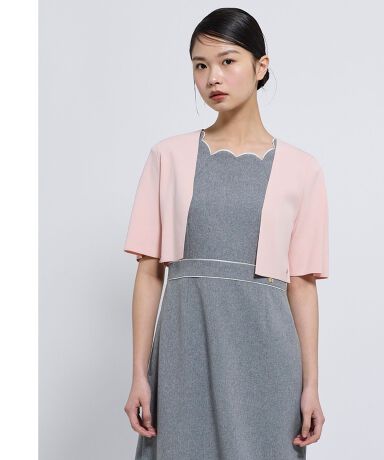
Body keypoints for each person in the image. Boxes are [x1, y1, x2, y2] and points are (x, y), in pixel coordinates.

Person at [123, 7, 329, 460]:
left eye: (227, 61)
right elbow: (150, 272)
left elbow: (302, 284)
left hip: (267, 356)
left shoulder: (302, 170)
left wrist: (311, 385)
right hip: (184, 350)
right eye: (200, 65)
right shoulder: (167, 157)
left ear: (261, 67)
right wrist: (139, 372)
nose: (212, 77)